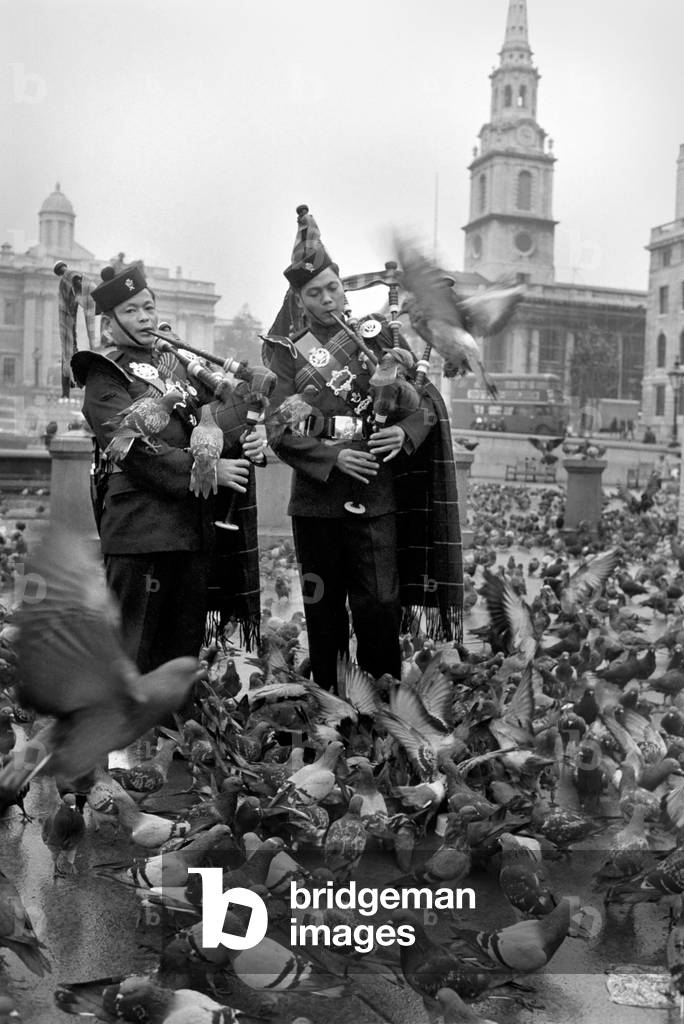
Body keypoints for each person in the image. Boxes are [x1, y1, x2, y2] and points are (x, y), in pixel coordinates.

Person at [263, 206, 462, 692]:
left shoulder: (380, 334)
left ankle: (384, 703)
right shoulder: (286, 354)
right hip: (317, 502)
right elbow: (277, 428)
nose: (327, 298)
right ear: (299, 298)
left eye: (333, 287)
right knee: (322, 608)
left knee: (379, 604)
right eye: (315, 292)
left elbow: (425, 399)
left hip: (376, 495)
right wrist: (332, 457)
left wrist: (407, 430)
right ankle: (331, 704)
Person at [71, 261, 264, 674]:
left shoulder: (174, 367)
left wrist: (253, 428)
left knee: (180, 662)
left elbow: (209, 423)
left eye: (148, 307)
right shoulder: (105, 373)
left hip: (190, 532)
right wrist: (206, 471)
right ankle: (126, 740)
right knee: (133, 658)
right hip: (140, 534)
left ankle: (173, 739)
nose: (144, 318)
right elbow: (132, 448)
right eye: (131, 311)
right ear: (108, 324)